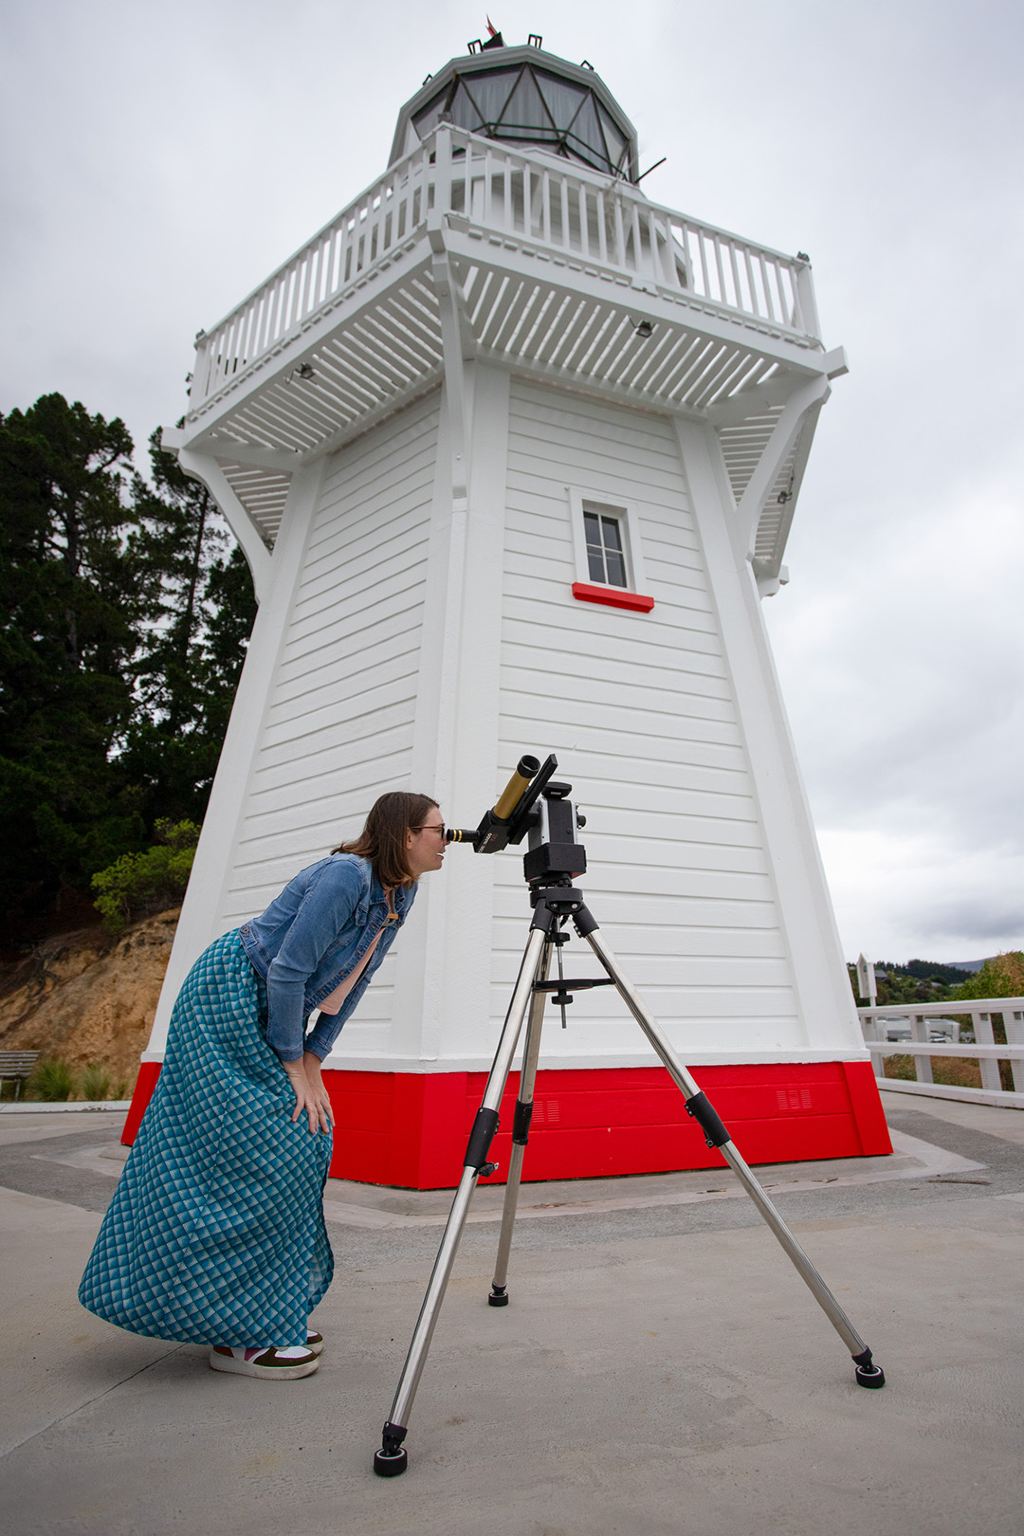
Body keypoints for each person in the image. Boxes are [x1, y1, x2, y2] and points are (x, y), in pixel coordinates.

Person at [79, 792, 446, 1381]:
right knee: (266, 1152)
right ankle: (238, 1335)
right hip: (228, 994)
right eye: (439, 830)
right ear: (406, 834)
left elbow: (357, 981)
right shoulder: (345, 877)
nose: (447, 841)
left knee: (302, 1143)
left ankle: (264, 1313)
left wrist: (315, 1057)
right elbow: (288, 969)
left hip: (273, 1009)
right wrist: (291, 1064)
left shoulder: (400, 892)